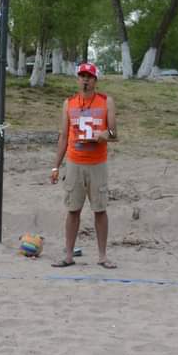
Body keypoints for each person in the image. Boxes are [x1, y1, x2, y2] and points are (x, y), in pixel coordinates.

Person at [49, 62, 118, 269]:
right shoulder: (68, 103)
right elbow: (63, 137)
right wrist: (55, 166)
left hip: (97, 164)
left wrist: (103, 135)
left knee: (100, 209)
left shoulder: (106, 102)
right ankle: (68, 255)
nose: (85, 80)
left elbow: (115, 134)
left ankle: (103, 256)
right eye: (82, 76)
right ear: (78, 79)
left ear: (95, 80)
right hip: (74, 163)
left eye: (89, 76)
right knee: (73, 209)